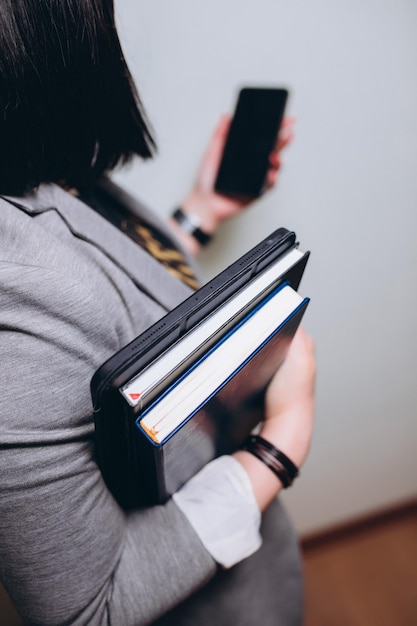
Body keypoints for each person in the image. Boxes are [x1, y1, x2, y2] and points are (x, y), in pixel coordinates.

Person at [0, 1, 316, 625]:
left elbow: (98, 314)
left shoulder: (29, 162)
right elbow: (90, 612)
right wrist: (281, 444)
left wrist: (199, 213)